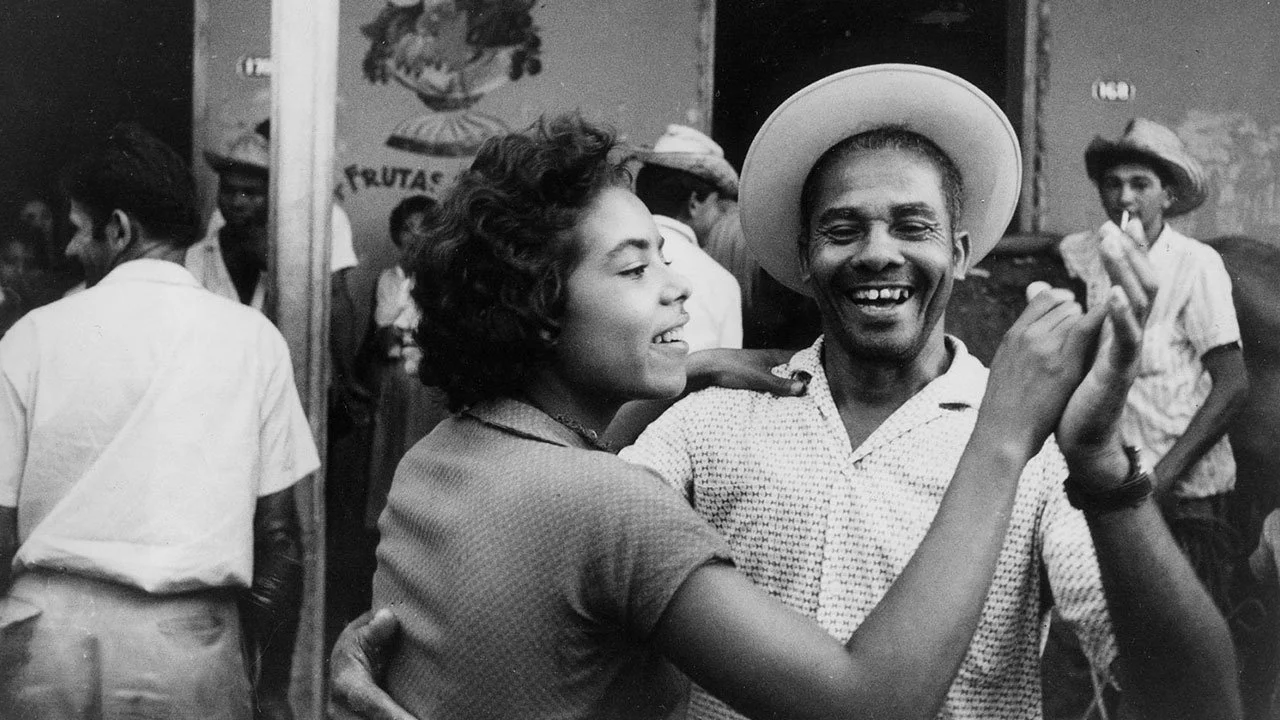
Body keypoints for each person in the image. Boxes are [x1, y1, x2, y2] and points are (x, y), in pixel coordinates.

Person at [330, 66, 1241, 720]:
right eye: (843, 229)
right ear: (803, 259)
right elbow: (548, 560)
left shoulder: (1037, 444)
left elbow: (1201, 701)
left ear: (961, 253)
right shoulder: (708, 425)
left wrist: (1103, 465)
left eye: (913, 225)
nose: (878, 252)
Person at [0, 123, 318, 720]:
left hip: (45, 646)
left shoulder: (33, 337)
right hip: (189, 649)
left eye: (79, 229)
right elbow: (279, 539)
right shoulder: (253, 341)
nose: (71, 249)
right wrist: (273, 692)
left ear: (119, 229)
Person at [1058, 117, 1248, 608]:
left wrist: (1161, 479)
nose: (1124, 198)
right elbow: (1051, 244)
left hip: (1185, 495)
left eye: (1140, 184)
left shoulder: (1195, 263)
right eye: (1113, 184)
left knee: (1189, 627)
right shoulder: (1093, 254)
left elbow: (1233, 385)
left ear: (1168, 195)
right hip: (1120, 488)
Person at [190, 119, 370, 425]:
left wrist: (346, 376)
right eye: (230, 190)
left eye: (251, 191)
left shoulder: (325, 217)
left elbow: (336, 298)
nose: (237, 202)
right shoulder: (216, 230)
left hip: (293, 375)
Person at [361, 194, 450, 528]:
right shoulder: (389, 280)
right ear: (398, 235)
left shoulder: (443, 281)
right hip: (395, 374)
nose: (415, 236)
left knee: (425, 449)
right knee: (392, 449)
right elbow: (383, 332)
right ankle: (389, 524)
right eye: (408, 229)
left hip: (429, 376)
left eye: (424, 228)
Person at [634, 124, 743, 352]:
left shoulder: (615, 260)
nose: (719, 217)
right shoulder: (721, 283)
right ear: (694, 202)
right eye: (717, 205)